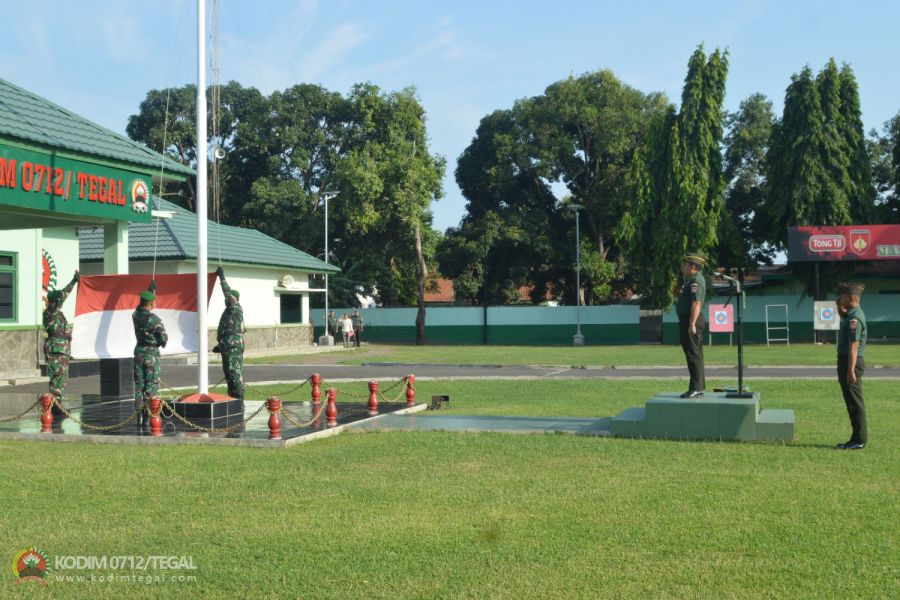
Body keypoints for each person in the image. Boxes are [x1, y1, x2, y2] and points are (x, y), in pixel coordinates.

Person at [835, 282, 868, 450]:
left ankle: (859, 440)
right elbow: (843, 315)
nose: (841, 297)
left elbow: (854, 346)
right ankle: (856, 438)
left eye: (843, 295)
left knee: (855, 402)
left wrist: (850, 370)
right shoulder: (851, 314)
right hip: (847, 361)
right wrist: (837, 304)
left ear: (852, 298)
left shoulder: (855, 318)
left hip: (851, 362)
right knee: (851, 401)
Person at [43, 270, 80, 405]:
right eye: (59, 298)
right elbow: (63, 295)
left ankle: (58, 403)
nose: (61, 299)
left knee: (62, 378)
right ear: (55, 300)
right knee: (57, 377)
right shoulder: (51, 311)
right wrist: (73, 281)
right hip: (56, 350)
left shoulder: (56, 312)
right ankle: (54, 405)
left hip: (61, 350)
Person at [132, 281, 168, 416]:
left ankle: (139, 415)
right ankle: (150, 414)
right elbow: (164, 338)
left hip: (139, 352)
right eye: (154, 302)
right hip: (151, 355)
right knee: (151, 385)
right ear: (151, 304)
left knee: (139, 385)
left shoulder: (135, 315)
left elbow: (140, 307)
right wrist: (160, 342)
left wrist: (149, 291)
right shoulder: (154, 319)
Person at [676, 252, 707, 398]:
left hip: (691, 320)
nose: (684, 267)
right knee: (694, 354)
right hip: (688, 319)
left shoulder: (696, 281)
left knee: (693, 354)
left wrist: (692, 324)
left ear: (693, 267)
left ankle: (695, 388)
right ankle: (698, 387)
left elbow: (696, 303)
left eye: (686, 264)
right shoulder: (691, 280)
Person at [214, 267, 244, 399]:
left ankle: (239, 400)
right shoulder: (228, 311)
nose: (226, 299)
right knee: (229, 375)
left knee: (234, 374)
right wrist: (220, 345)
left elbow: (227, 294)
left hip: (233, 348)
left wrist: (222, 278)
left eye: (230, 297)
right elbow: (227, 331)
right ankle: (233, 399)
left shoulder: (235, 308)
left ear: (235, 298)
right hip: (227, 347)